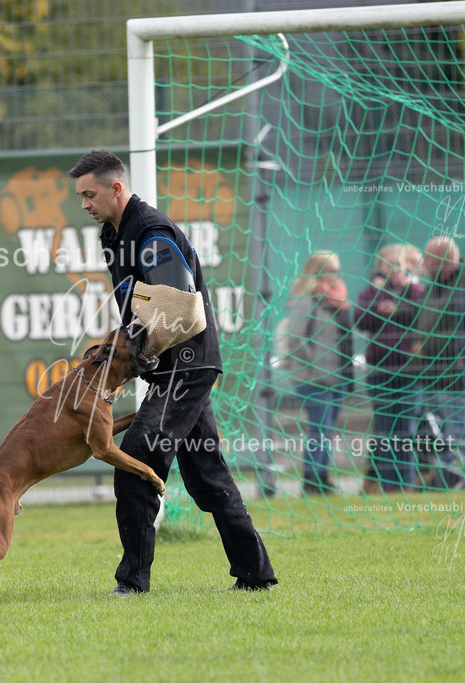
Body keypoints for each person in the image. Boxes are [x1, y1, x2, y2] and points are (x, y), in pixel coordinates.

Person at [68, 150, 277, 594]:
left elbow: (179, 305)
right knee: (207, 476)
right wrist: (120, 343)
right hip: (178, 368)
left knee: (134, 466)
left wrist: (135, 355)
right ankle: (257, 577)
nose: (84, 204)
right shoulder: (115, 233)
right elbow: (141, 306)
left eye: (90, 194)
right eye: (81, 196)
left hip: (186, 366)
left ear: (116, 188)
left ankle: (132, 584)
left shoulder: (150, 232)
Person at [280, 251, 352, 495]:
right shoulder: (306, 299)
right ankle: (311, 480)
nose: (336, 275)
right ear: (317, 272)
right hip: (313, 378)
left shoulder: (338, 299)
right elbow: (296, 339)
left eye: (337, 270)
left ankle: (323, 476)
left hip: (338, 376)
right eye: (331, 270)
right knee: (319, 429)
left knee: (328, 430)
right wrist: (317, 365)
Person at [355, 244, 426, 492]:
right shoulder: (371, 293)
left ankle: (405, 484)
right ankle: (388, 486)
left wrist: (396, 311)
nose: (393, 269)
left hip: (409, 373)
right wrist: (378, 300)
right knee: (384, 430)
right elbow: (360, 319)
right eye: (387, 264)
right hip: (379, 373)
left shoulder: (417, 291)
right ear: (380, 268)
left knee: (405, 429)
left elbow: (424, 315)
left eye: (398, 263)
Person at [414, 237, 465, 489]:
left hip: (454, 374)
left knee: (463, 428)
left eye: (428, 258)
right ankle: (448, 478)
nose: (423, 263)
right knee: (442, 433)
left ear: (442, 259)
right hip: (430, 374)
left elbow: (462, 329)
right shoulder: (433, 286)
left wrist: (429, 344)